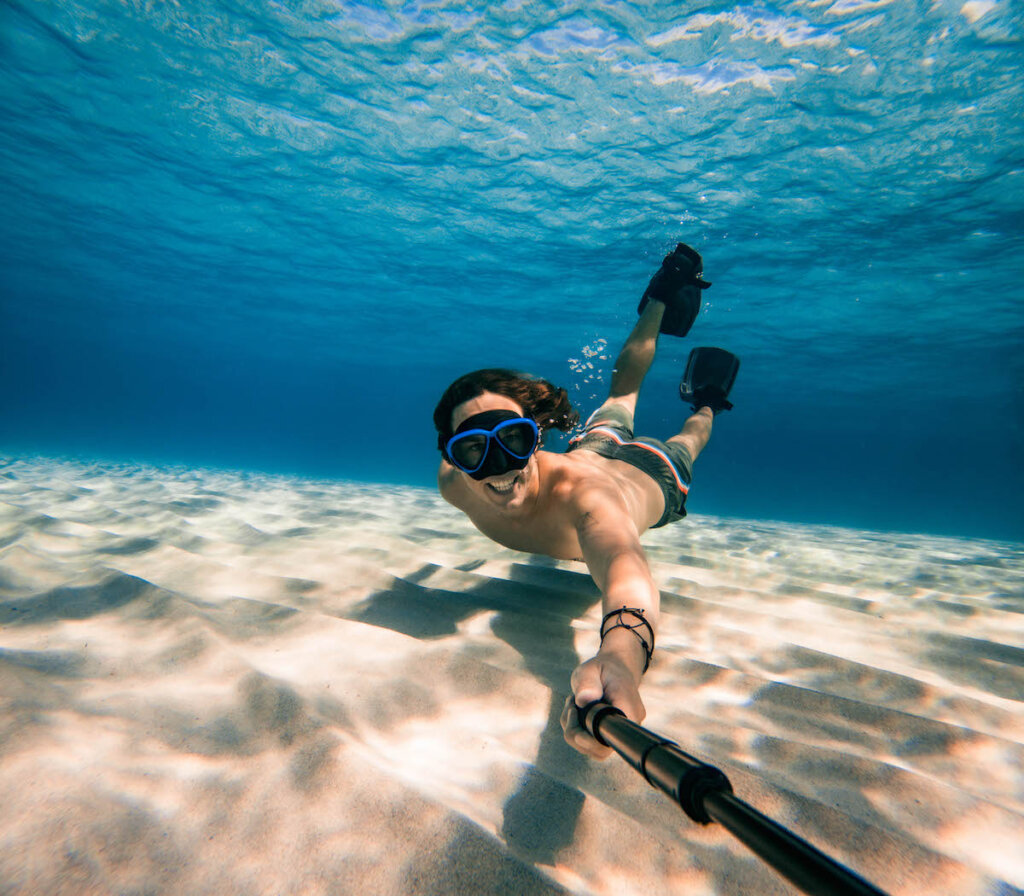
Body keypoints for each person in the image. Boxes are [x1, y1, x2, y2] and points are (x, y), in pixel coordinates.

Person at [433, 243, 738, 759]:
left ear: (536, 435)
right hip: (592, 449)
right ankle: (663, 306)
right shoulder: (452, 483)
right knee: (618, 401)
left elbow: (626, 572)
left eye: (513, 440)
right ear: (453, 458)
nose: (500, 465)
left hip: (646, 475)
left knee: (686, 436)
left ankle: (703, 389)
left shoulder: (586, 503)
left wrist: (619, 658)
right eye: (472, 450)